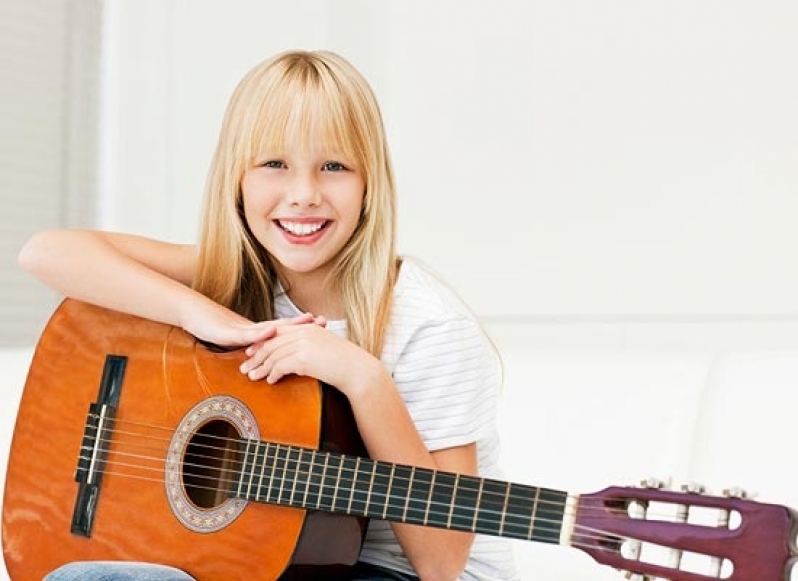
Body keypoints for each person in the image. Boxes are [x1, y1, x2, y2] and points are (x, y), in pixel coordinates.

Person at [20, 49, 517, 581]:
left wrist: (363, 378)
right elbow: (45, 252)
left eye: (334, 166)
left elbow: (441, 564)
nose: (303, 196)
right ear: (236, 178)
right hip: (278, 559)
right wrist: (203, 315)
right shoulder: (240, 276)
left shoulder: (428, 326)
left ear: (370, 182)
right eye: (274, 164)